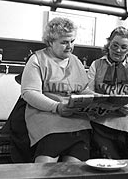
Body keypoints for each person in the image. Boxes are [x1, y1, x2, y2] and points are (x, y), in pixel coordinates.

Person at [21, 17, 94, 163]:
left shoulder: (76, 62)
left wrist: (98, 98)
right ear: (50, 42)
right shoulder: (37, 59)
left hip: (76, 123)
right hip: (48, 120)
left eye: (72, 41)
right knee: (45, 168)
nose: (70, 46)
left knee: (75, 169)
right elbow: (29, 92)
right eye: (64, 42)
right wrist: (57, 107)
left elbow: (83, 89)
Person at [87, 26, 128, 159]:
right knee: (97, 133)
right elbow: (89, 91)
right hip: (101, 114)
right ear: (108, 44)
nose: (118, 50)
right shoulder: (96, 65)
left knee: (125, 136)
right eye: (115, 45)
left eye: (123, 47)